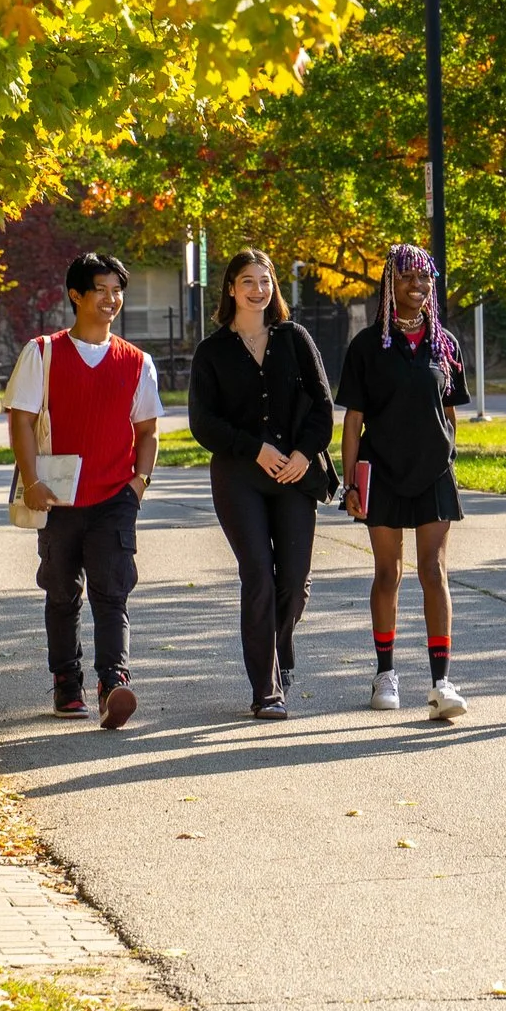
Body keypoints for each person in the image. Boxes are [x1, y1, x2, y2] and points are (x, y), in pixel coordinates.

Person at [5, 252, 164, 729]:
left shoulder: (138, 362)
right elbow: (22, 420)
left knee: (112, 592)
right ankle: (66, 681)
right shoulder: (43, 352)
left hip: (115, 497)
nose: (112, 299)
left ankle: (113, 681)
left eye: (118, 290)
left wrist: (139, 484)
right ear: (76, 294)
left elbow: (149, 430)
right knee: (61, 592)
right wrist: (31, 481)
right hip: (55, 494)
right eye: (101, 289)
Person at [188, 249, 337, 719]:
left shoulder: (295, 338)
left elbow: (322, 405)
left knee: (291, 581)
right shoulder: (212, 351)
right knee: (258, 576)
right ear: (230, 288)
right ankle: (266, 689)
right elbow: (202, 422)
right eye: (248, 281)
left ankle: (280, 648)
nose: (258, 290)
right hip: (239, 478)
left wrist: (302, 453)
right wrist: (254, 448)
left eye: (265, 281)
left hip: (295, 475)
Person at [337, 243, 472, 721]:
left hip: (433, 473)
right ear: (389, 285)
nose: (416, 286)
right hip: (383, 473)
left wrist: (448, 456)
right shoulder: (368, 346)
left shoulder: (445, 344)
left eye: (424, 278)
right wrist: (351, 481)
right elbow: (353, 421)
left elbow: (450, 413)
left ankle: (441, 682)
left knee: (433, 571)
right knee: (388, 574)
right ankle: (385, 673)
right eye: (406, 278)